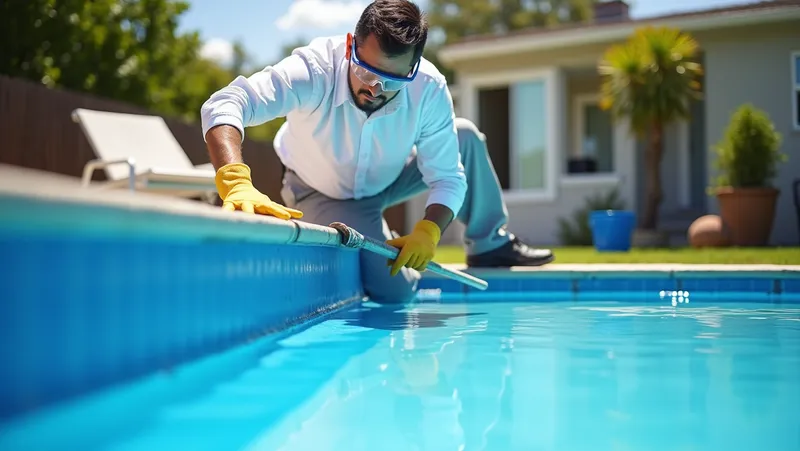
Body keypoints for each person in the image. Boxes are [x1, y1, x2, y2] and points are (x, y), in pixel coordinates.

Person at [200, 0, 554, 303]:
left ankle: (489, 245)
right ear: (351, 45)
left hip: (390, 178)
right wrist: (234, 179)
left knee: (466, 136)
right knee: (394, 293)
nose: (374, 89)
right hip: (323, 190)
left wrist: (430, 230)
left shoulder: (429, 88)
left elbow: (448, 176)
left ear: (413, 68)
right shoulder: (314, 69)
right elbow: (227, 103)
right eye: (365, 71)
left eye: (392, 81)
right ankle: (370, 236)